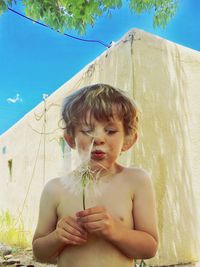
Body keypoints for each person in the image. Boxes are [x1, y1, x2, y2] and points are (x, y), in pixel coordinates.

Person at [32, 83, 158, 267]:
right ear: (70, 139)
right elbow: (39, 253)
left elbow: (150, 248)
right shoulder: (55, 189)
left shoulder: (137, 181)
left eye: (111, 131)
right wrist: (58, 237)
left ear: (128, 140)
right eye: (87, 130)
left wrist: (115, 230)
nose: (98, 139)